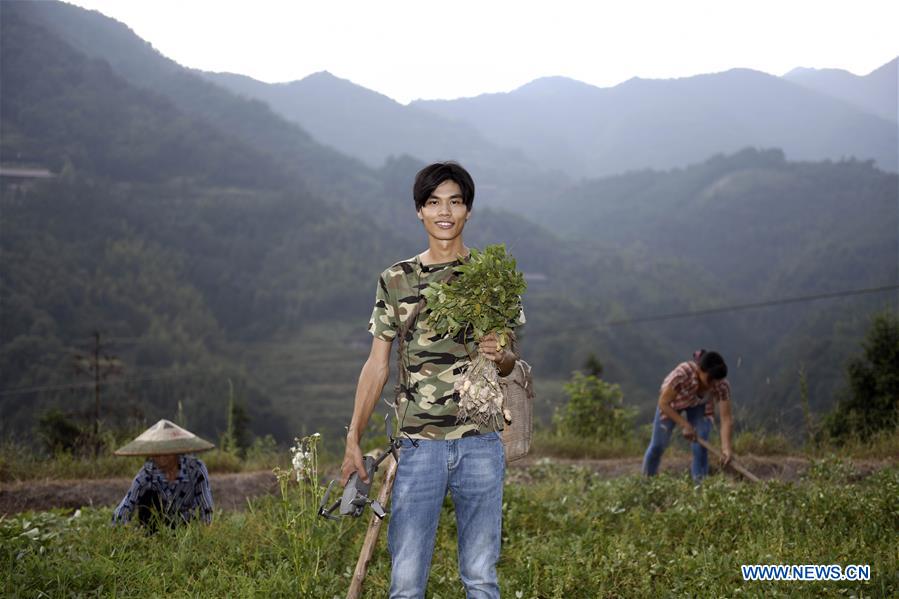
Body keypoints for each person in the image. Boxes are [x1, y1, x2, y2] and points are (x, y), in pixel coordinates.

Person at [341, 161, 522, 598]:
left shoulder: (490, 277)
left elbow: (510, 362)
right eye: (434, 202)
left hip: (480, 441)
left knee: (481, 577)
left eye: (455, 202)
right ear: (419, 211)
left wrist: (500, 355)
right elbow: (376, 366)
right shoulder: (398, 279)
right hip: (418, 444)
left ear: (468, 211)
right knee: (405, 582)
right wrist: (352, 438)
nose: (445, 211)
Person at [642, 349, 733, 482]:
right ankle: (646, 483)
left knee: (700, 445)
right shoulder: (682, 375)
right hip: (672, 404)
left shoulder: (721, 384)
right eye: (710, 380)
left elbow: (726, 419)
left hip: (699, 405)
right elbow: (663, 403)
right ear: (700, 370)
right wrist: (684, 424)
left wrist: (726, 448)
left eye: (717, 381)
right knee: (657, 445)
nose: (714, 384)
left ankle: (700, 489)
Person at [112, 419, 214, 528]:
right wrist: (120, 528)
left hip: (187, 529)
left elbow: (206, 507)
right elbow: (127, 505)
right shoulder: (147, 473)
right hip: (156, 530)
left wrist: (204, 533)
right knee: (148, 496)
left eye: (166, 451)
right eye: (157, 452)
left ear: (175, 450)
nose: (161, 456)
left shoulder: (196, 469)